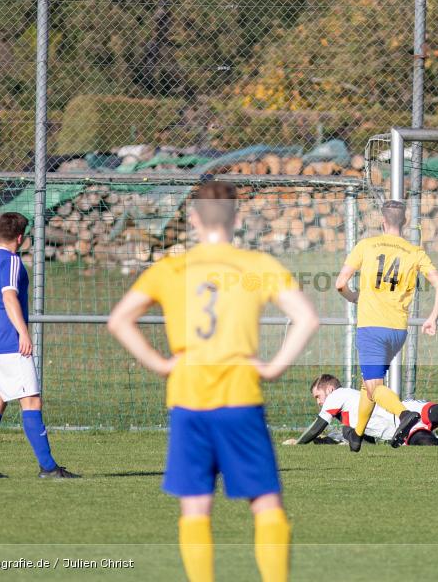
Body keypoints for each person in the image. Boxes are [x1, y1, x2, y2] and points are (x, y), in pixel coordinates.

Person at [108, 181, 319, 582]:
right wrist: (273, 367)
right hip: (240, 395)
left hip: (188, 396)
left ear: (193, 218)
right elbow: (307, 317)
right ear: (236, 218)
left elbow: (119, 320)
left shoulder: (171, 269)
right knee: (266, 503)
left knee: (195, 506)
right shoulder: (255, 267)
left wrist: (161, 364)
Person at [0, 212, 79, 479]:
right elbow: (9, 297)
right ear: (20, 238)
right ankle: (49, 468)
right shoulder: (11, 261)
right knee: (31, 401)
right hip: (9, 343)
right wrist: (23, 333)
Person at [335, 200, 438, 451]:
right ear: (405, 222)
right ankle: (357, 434)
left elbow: (340, 283)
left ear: (382, 221)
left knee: (375, 386)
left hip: (371, 328)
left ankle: (404, 414)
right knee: (369, 384)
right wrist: (432, 318)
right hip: (397, 331)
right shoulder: (414, 251)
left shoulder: (366, 246)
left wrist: (353, 297)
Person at [286, 374, 438, 447]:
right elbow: (359, 439)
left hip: (406, 416)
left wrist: (299, 443)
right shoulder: (348, 414)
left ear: (328, 389)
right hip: (401, 429)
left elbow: (318, 425)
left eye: (318, 396)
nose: (319, 402)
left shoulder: (337, 396)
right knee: (436, 444)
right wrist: (328, 441)